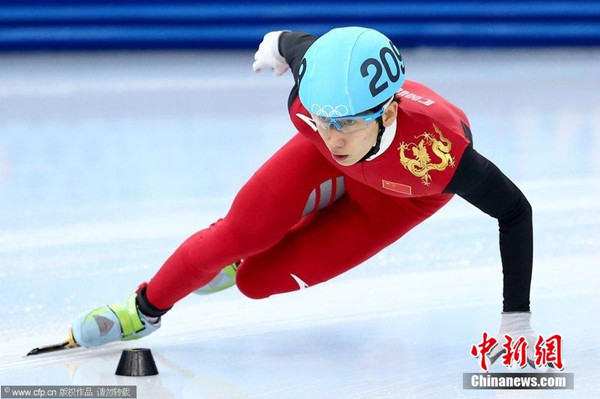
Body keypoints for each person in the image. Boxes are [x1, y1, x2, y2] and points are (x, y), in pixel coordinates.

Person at [70, 27, 535, 368]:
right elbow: (293, 43)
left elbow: (515, 212)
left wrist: (516, 315)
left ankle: (242, 263)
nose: (333, 136)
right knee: (237, 233)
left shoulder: (439, 157)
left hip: (402, 197)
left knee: (254, 282)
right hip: (341, 165)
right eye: (324, 120)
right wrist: (275, 42)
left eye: (348, 122)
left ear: (388, 109)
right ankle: (143, 311)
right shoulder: (310, 102)